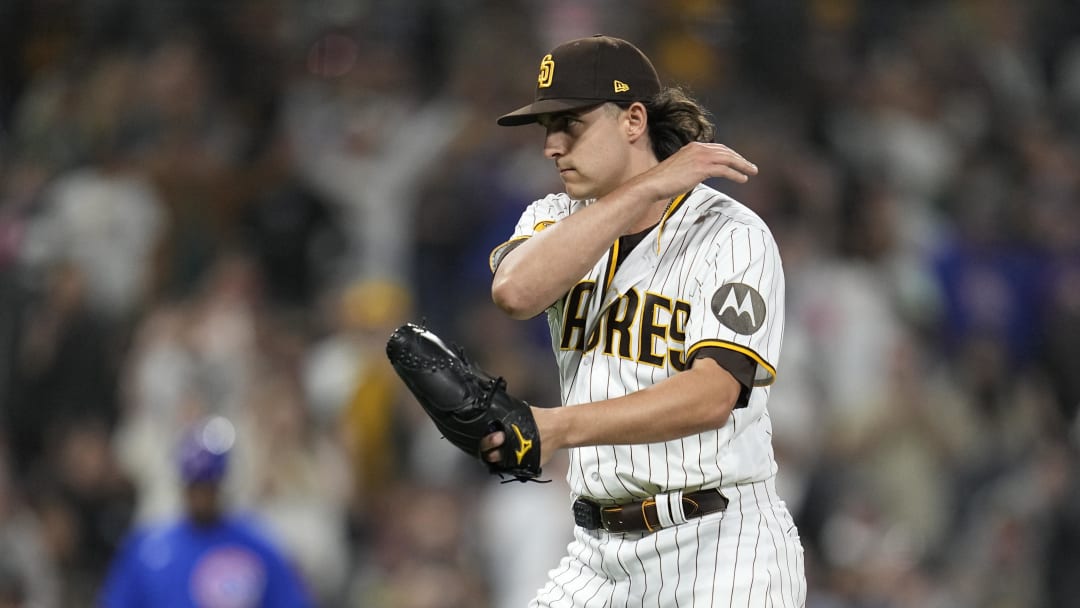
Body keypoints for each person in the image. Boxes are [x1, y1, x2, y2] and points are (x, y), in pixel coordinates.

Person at [483, 35, 806, 606]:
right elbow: (514, 292)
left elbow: (712, 395)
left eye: (570, 124)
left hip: (720, 549)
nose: (552, 146)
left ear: (634, 120)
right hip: (594, 553)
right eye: (545, 129)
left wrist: (560, 426)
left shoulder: (731, 235)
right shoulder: (552, 217)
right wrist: (646, 187)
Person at [98, 416, 315, 608]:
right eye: (195, 486)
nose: (201, 497)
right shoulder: (147, 549)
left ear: (221, 484)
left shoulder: (257, 546)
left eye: (208, 487)